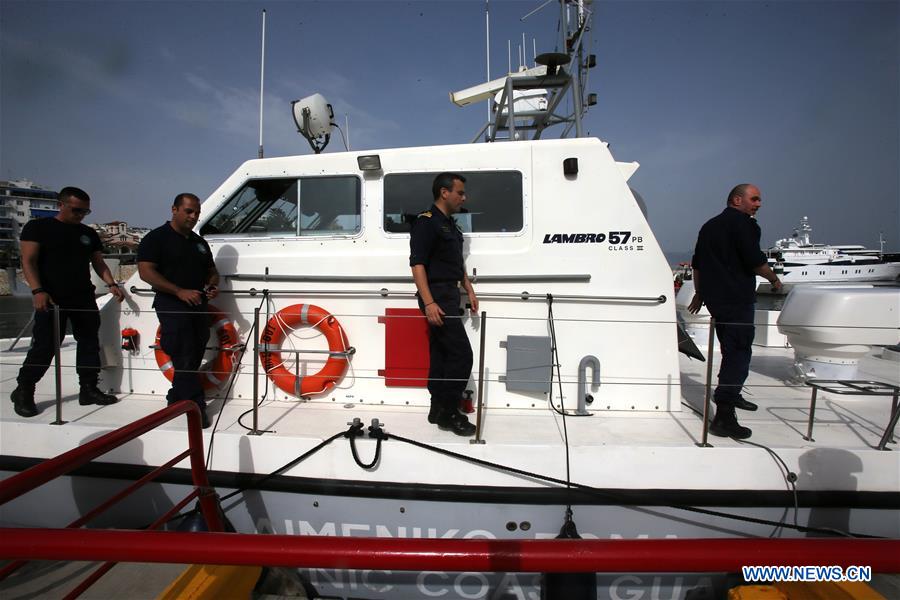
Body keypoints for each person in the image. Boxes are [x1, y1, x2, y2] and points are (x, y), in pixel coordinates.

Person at [10, 187, 125, 417]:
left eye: (85, 211)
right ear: (60, 205)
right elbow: (28, 261)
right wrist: (37, 291)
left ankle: (88, 388)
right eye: (76, 210)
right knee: (46, 345)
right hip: (51, 296)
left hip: (82, 295)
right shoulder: (38, 228)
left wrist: (111, 284)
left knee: (89, 342)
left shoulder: (87, 234)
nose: (81, 215)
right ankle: (24, 389)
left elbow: (98, 263)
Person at [688, 183, 782, 439]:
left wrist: (699, 293)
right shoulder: (745, 224)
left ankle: (733, 394)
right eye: (755, 199)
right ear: (737, 200)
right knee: (739, 353)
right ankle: (724, 415)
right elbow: (756, 262)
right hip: (737, 300)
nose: (759, 204)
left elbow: (698, 264)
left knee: (731, 351)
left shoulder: (709, 226)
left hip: (717, 301)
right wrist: (774, 280)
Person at [138, 193, 219, 428]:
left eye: (196, 213)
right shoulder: (156, 239)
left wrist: (212, 285)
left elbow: (211, 270)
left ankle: (175, 398)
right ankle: (196, 407)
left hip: (198, 307)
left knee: (193, 356)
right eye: (188, 211)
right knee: (183, 355)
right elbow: (146, 272)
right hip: (172, 306)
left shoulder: (198, 243)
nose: (193, 217)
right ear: (174, 209)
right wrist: (178, 291)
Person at [409, 172, 479, 436]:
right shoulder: (426, 223)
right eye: (460, 192)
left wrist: (468, 289)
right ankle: (450, 413)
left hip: (449, 294)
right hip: (436, 297)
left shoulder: (451, 226)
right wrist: (428, 303)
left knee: (442, 354)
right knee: (462, 355)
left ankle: (437, 407)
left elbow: (456, 264)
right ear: (444, 193)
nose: (464, 197)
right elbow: (418, 264)